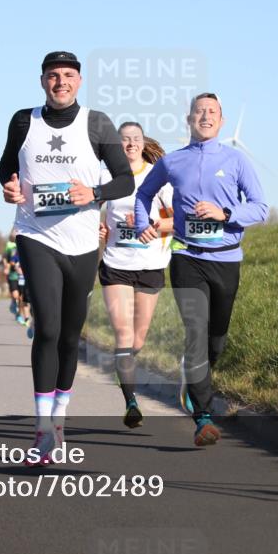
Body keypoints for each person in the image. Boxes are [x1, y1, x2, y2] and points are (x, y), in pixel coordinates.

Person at [0, 51, 134, 464]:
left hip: (82, 243)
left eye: (69, 75)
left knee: (72, 336)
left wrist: (93, 194)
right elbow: (5, 166)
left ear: (80, 81)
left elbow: (125, 179)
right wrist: (8, 186)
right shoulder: (24, 120)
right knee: (49, 328)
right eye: (53, 76)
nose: (61, 82)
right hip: (36, 235)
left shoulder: (97, 123)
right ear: (42, 81)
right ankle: (42, 433)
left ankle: (59, 422)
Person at [135, 93, 267, 447]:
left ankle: (194, 377)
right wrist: (141, 220)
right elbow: (143, 194)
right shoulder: (173, 162)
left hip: (226, 258)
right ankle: (203, 418)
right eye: (199, 111)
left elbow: (260, 208)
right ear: (188, 119)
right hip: (186, 257)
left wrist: (226, 215)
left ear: (221, 121)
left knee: (216, 340)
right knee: (196, 332)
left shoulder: (236, 160)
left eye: (212, 112)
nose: (205, 116)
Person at [97, 123, 174, 428]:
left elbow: (179, 218)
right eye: (124, 140)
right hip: (116, 264)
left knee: (138, 339)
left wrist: (154, 226)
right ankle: (131, 402)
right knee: (124, 335)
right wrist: (97, 227)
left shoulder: (158, 176)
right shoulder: (106, 176)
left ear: (143, 143)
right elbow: (88, 209)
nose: (130, 144)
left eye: (135, 139)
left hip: (151, 265)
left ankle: (124, 365)